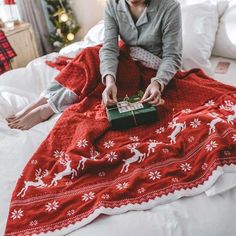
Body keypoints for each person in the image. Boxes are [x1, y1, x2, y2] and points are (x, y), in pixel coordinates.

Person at [6, 0, 182, 130]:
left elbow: (172, 56)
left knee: (90, 58)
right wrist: (110, 81)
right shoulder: (114, 5)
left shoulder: (169, 7)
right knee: (90, 55)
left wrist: (157, 82)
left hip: (148, 72)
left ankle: (48, 108)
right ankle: (41, 100)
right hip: (126, 59)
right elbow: (109, 48)